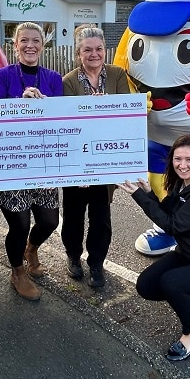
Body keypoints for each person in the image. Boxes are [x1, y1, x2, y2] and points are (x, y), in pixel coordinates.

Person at [118, 135, 190, 362]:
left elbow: (172, 226)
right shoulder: (183, 184)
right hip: (188, 256)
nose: (183, 165)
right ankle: (185, 296)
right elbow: (172, 211)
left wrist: (138, 196)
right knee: (147, 285)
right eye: (178, 159)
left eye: (189, 159)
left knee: (172, 283)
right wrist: (150, 193)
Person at [0, 22, 64, 300]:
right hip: (13, 163)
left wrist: (46, 107)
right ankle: (17, 271)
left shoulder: (54, 78)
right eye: (24, 41)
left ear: (43, 46)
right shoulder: (2, 76)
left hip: (43, 162)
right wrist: (20, 102)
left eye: (36, 41)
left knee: (49, 221)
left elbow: (63, 119)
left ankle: (31, 248)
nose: (30, 46)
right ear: (15, 45)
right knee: (18, 224)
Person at [61, 25, 132, 288]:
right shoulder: (68, 81)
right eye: (88, 49)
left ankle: (96, 263)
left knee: (101, 217)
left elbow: (125, 113)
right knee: (73, 215)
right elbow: (67, 123)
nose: (94, 54)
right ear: (78, 53)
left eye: (99, 49)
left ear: (105, 51)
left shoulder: (117, 75)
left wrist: (105, 108)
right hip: (77, 162)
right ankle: (73, 257)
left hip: (105, 160)